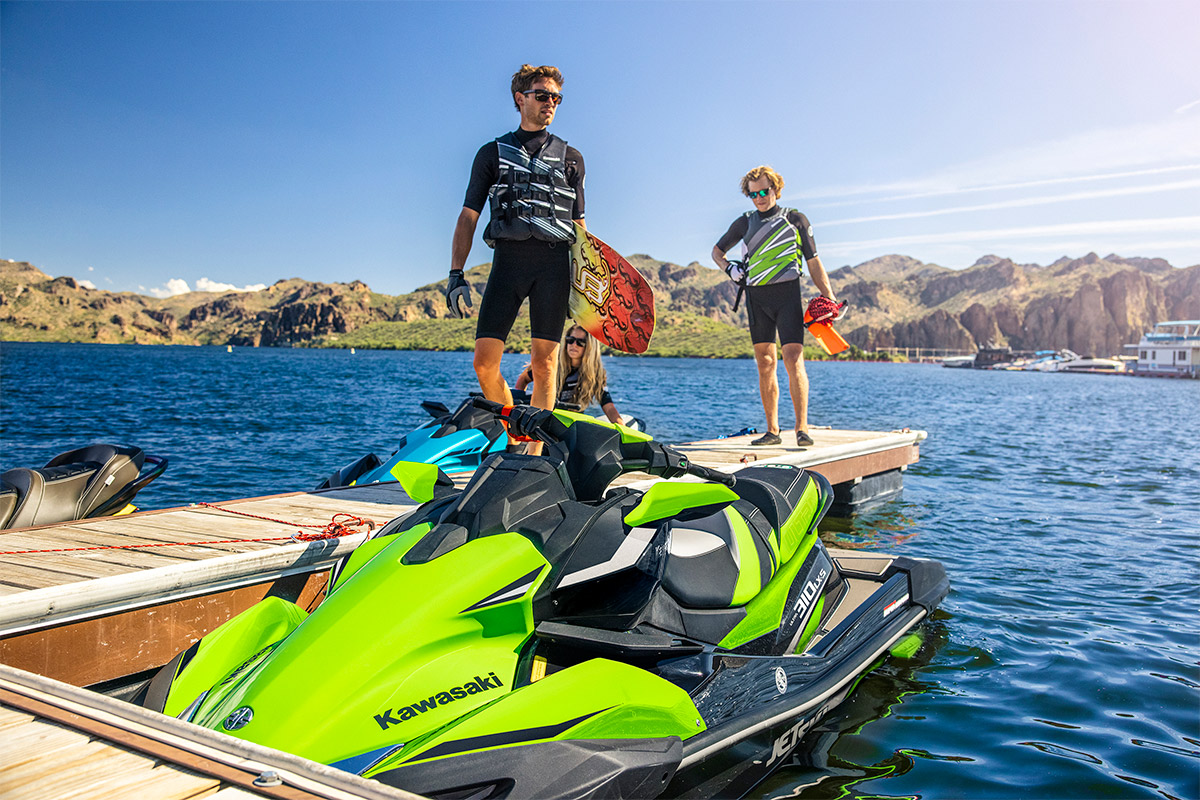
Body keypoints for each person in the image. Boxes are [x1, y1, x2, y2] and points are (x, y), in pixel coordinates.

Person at [445, 64, 585, 453]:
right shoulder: (491, 153)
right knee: (484, 363)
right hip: (508, 262)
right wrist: (456, 273)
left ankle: (533, 457)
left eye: (556, 98)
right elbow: (469, 215)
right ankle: (514, 432)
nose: (550, 104)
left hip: (554, 265)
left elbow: (581, 227)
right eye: (543, 96)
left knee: (545, 365)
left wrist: (589, 287)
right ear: (520, 99)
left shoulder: (572, 157)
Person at [711, 165, 837, 447]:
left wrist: (828, 296)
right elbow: (716, 252)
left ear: (776, 189)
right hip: (757, 298)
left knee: (793, 359)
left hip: (788, 295)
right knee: (765, 364)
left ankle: (802, 429)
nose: (760, 197)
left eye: (765, 191)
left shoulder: (795, 219)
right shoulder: (744, 222)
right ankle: (772, 431)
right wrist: (729, 269)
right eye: (753, 194)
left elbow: (814, 261)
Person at [515, 322, 623, 423]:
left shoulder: (595, 374)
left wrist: (621, 427)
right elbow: (523, 379)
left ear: (590, 347)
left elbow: (608, 406)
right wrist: (517, 407)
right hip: (545, 419)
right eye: (570, 340)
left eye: (580, 342)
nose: (574, 345)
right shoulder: (551, 364)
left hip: (571, 424)